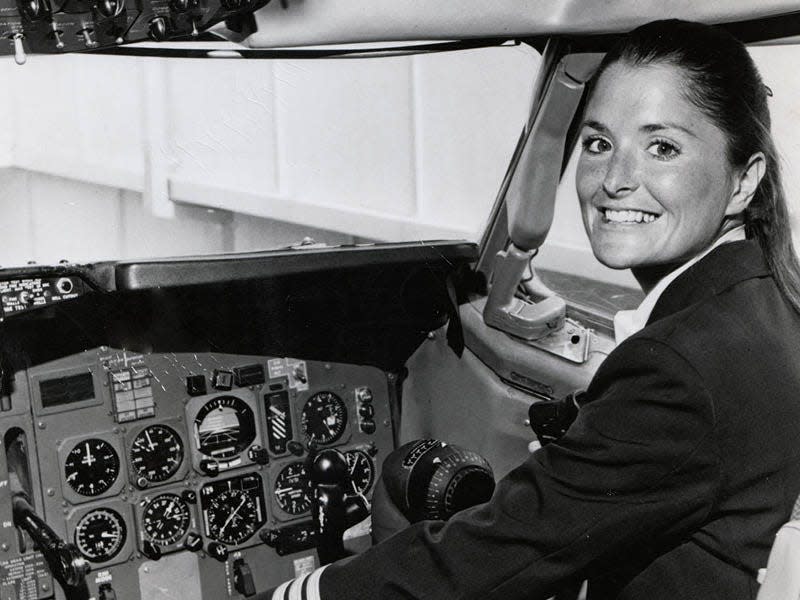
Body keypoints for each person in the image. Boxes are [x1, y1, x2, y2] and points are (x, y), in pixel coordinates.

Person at [265, 19, 800, 599]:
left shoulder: (683, 365)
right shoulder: (765, 307)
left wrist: (302, 592)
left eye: (661, 147)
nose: (615, 180)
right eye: (598, 144)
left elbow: (499, 554)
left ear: (744, 181)